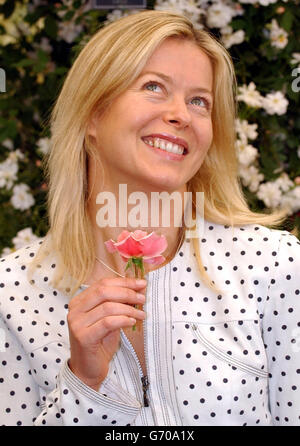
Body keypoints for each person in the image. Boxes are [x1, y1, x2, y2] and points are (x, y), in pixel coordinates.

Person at [0, 9, 299, 427]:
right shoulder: (11, 294)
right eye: (154, 87)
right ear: (92, 114)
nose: (182, 114)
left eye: (199, 101)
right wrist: (85, 383)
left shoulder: (274, 264)